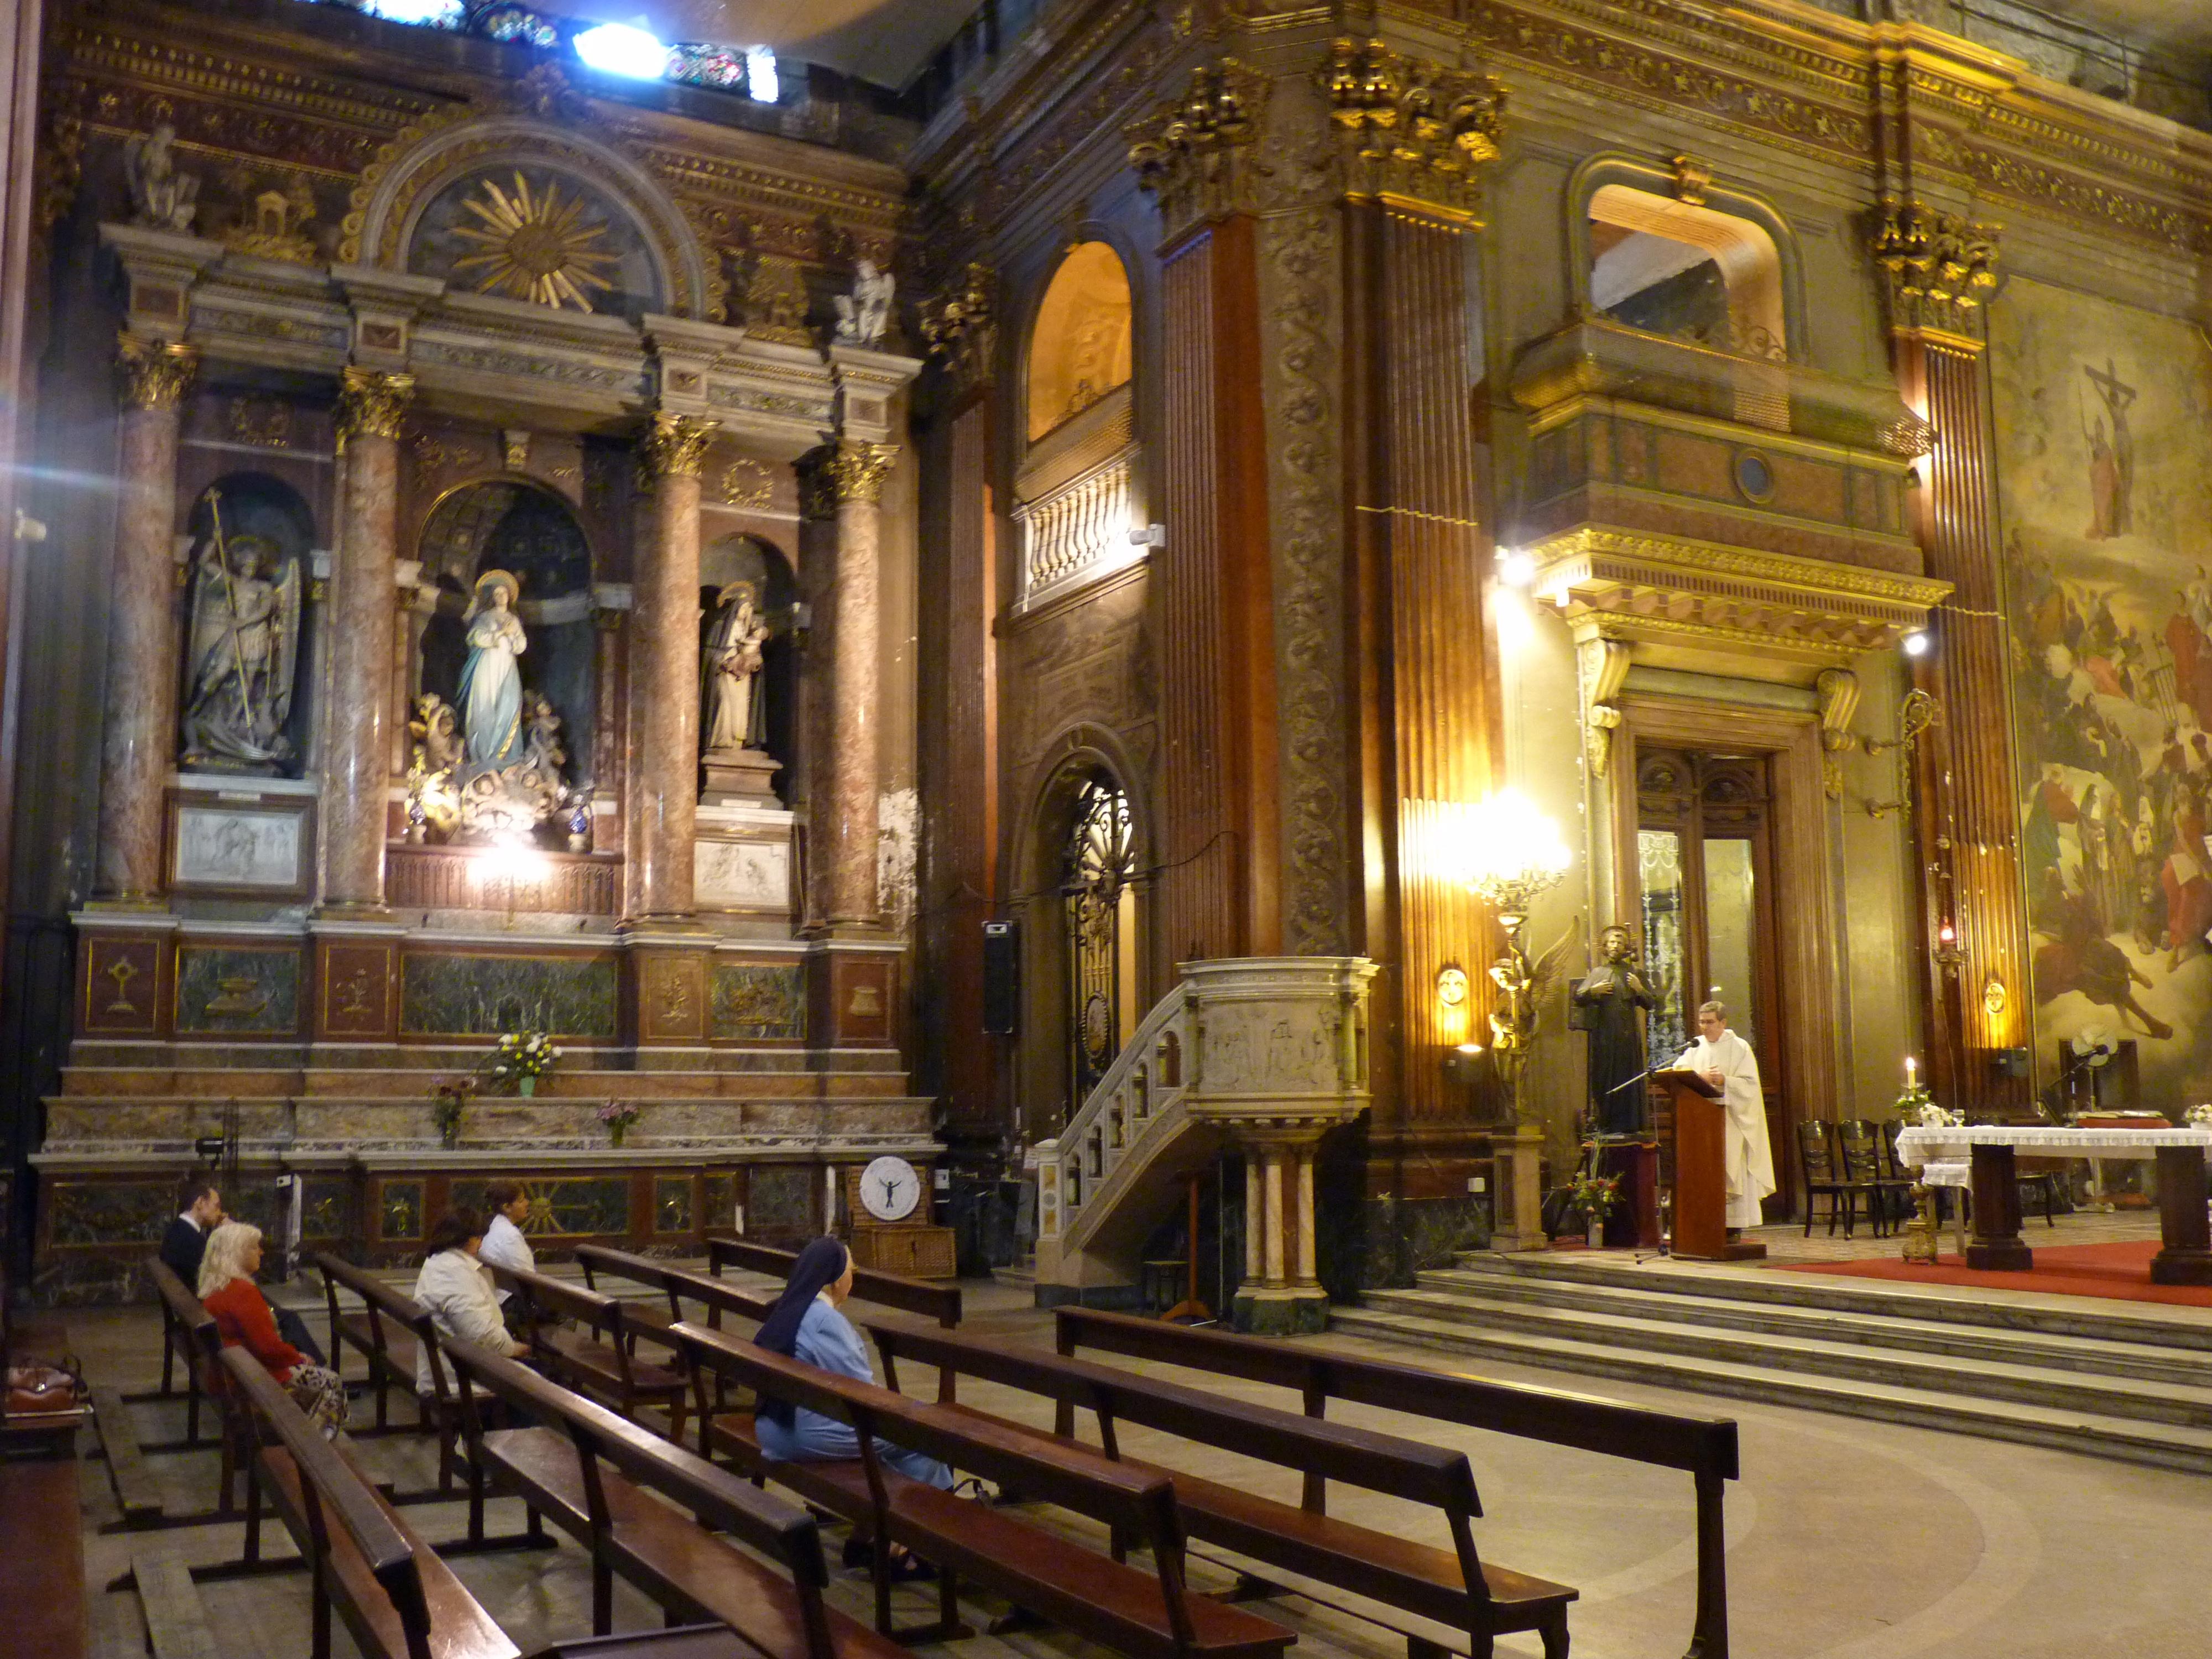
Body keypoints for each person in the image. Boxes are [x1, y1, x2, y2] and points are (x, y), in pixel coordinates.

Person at [755, 1238, 953, 1571]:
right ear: (834, 1279)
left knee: (900, 1440)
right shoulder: (824, 1321)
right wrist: (906, 1412)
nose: (853, 1279)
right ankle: (914, 1547)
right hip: (799, 1432)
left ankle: (872, 1537)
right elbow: (864, 1394)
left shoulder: (789, 1308)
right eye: (852, 1271)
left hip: (774, 1425)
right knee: (924, 1439)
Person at [198, 1221, 347, 1439]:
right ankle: (313, 1451)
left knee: (325, 1378)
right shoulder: (242, 1292)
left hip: (230, 1370)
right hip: (250, 1379)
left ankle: (313, 1443)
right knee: (331, 1383)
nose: (261, 1252)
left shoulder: (216, 1286)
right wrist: (299, 1357)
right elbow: (269, 1349)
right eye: (254, 1247)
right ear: (237, 1253)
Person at [161, 1178, 327, 1365]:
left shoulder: (180, 1231)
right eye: (216, 1206)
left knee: (279, 1311)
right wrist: (233, 1233)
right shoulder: (188, 1238)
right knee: (288, 1318)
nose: (220, 1213)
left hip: (201, 1306)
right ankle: (313, 1369)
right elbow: (228, 1272)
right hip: (210, 1311)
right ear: (201, 1203)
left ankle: (302, 1366)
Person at [1674, 1001, 1776, 1238]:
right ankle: (1705, 1225)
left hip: (1730, 1120)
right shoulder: (1694, 1049)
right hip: (1702, 1123)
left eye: (1710, 1022)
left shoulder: (1740, 1048)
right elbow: (1678, 1074)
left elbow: (1751, 1085)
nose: (1704, 1028)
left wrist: (1725, 1081)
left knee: (1731, 1172)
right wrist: (1699, 1076)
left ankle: (1732, 1228)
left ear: (1723, 1023)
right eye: (1702, 1022)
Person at [410, 1207, 528, 1398]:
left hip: (455, 1362)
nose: (481, 1245)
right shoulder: (455, 1273)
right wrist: (512, 1348)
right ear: (465, 1238)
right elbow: (480, 1333)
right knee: (540, 1391)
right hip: (460, 1375)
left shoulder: (440, 1261)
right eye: (479, 1238)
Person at [1572, 925, 1658, 1136]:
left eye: (1620, 943)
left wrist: (1639, 989)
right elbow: (1578, 996)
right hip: (1604, 1037)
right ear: (1605, 946)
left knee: (1627, 1079)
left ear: (1626, 947)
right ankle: (1607, 1122)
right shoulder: (1597, 973)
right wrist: (1594, 991)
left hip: (1627, 1037)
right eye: (1611, 942)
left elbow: (1651, 1003)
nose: (1615, 946)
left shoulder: (1634, 973)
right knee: (1604, 1078)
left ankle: (1628, 1125)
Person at [456, 570, 526, 768]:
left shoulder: (514, 620)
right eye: (497, 594)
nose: (501, 597)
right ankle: (482, 755)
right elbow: (476, 638)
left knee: (509, 704)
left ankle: (505, 756)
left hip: (507, 668)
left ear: (510, 597)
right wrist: (501, 632)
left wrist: (512, 636)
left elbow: (521, 645)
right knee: (483, 706)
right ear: (492, 598)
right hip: (486, 667)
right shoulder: (485, 617)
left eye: (504, 593)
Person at [478, 1182, 535, 1306]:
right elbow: (528, 1277)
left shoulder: (496, 1226)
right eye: (521, 1201)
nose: (527, 1203)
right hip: (510, 1303)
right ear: (507, 1207)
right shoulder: (510, 1236)